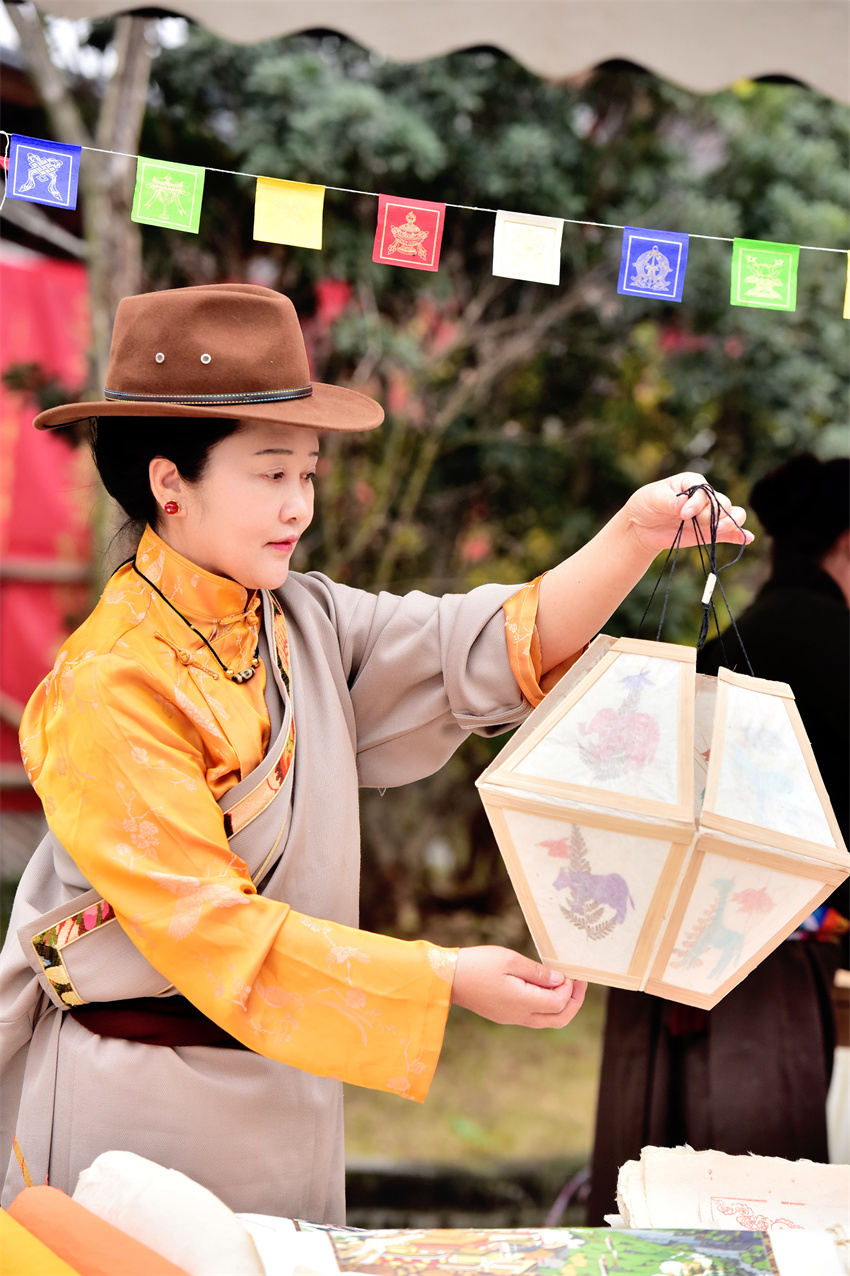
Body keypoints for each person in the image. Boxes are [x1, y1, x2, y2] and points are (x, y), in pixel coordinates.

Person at [0, 283, 751, 1223]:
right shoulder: (109, 682)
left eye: (308, 475)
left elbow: (483, 643)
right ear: (169, 484)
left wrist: (633, 538)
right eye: (271, 474)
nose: (299, 506)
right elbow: (211, 931)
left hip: (293, 1092)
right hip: (144, 1107)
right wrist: (445, 980)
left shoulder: (300, 619)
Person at [586, 451, 848, 1226]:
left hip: (667, 960)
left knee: (664, 1204)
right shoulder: (829, 644)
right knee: (762, 1214)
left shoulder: (745, 636)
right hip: (762, 966)